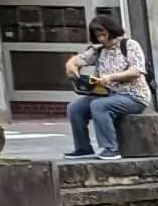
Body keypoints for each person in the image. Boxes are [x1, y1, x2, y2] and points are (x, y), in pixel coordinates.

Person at [61, 12, 148, 160]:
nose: (101, 38)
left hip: (133, 96)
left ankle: (110, 148)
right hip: (107, 94)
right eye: (97, 35)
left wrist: (111, 77)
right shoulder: (98, 50)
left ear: (111, 31)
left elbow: (136, 71)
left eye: (103, 34)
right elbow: (78, 59)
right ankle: (83, 147)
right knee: (74, 108)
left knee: (99, 106)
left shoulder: (129, 45)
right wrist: (71, 65)